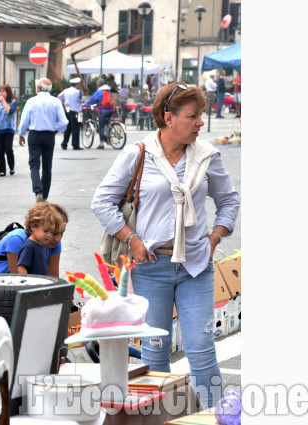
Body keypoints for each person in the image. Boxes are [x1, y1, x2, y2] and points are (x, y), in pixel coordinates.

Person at [91, 82, 240, 409]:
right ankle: (161, 417)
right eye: (194, 116)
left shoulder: (206, 156)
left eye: (201, 115)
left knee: (201, 348)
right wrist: (131, 239)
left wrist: (215, 237)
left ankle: (215, 416)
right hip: (150, 269)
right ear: (168, 118)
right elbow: (102, 201)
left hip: (195, 267)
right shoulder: (139, 154)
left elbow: (228, 200)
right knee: (155, 350)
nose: (201, 122)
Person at [0, 203, 68, 277]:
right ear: (35, 226)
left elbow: (53, 278)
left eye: (62, 233)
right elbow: (17, 278)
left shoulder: (54, 243)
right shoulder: (17, 239)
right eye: (54, 232)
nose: (58, 239)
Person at [17, 78, 68, 203]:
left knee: (34, 164)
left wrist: (21, 134)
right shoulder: (56, 101)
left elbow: (24, 121)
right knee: (47, 166)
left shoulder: (32, 101)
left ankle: (38, 191)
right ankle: (44, 195)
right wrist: (57, 130)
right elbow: (64, 122)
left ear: (38, 88)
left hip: (34, 134)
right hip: (49, 135)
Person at [17, 202, 66, 275]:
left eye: (52, 232)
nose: (49, 235)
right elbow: (21, 266)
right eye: (45, 231)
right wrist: (27, 282)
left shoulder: (41, 244)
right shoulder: (29, 246)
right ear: (33, 226)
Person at [0, 84, 18, 176]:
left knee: (8, 149)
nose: (1, 93)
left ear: (8, 92)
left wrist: (3, 102)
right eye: (0, 91)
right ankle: (1, 170)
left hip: (8, 129)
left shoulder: (13, 102)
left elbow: (9, 111)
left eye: (3, 91)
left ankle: (11, 166)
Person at [83, 84, 114, 150]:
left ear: (98, 85)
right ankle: (106, 136)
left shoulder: (98, 92)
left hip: (103, 111)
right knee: (106, 123)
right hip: (111, 111)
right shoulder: (109, 91)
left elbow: (92, 100)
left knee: (101, 126)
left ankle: (101, 144)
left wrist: (85, 105)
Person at [57, 77, 84, 151]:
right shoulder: (78, 92)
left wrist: (64, 102)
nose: (79, 85)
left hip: (67, 111)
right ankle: (75, 145)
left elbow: (59, 96)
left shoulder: (66, 90)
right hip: (75, 112)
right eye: (78, 84)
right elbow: (82, 100)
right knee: (75, 129)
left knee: (68, 128)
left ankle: (64, 144)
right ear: (76, 85)